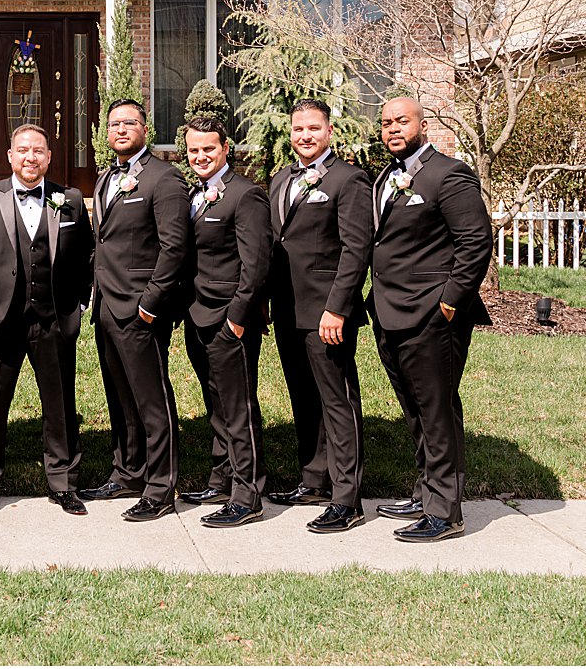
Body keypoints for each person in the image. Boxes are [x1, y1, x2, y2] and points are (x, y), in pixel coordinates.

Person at [368, 96, 492, 542]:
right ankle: (425, 493)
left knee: (437, 410)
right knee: (415, 409)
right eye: (386, 123)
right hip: (388, 311)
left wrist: (450, 302)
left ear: (424, 124)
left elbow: (475, 242)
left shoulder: (449, 174)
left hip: (432, 315)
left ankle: (446, 512)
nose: (393, 129)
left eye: (402, 121)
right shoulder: (386, 175)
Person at [0, 124, 95, 518]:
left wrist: (80, 301)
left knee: (60, 404)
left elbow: (88, 253)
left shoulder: (68, 199)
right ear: (10, 156)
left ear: (48, 157)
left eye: (38, 151)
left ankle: (63, 483)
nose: (30, 157)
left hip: (53, 319)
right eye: (23, 150)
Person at [80, 98, 193, 522]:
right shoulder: (107, 176)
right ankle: (128, 470)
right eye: (113, 124)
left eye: (129, 123)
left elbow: (175, 247)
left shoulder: (164, 179)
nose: (121, 130)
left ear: (146, 127)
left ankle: (161, 486)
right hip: (106, 304)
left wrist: (151, 303)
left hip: (141, 308)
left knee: (152, 399)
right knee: (119, 395)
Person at [266, 99, 374, 534]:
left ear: (329, 131)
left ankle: (347, 498)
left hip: (326, 313)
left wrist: (338, 307)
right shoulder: (279, 180)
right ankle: (313, 480)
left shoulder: (349, 181)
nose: (305, 136)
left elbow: (355, 249)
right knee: (303, 399)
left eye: (313, 128)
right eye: (298, 129)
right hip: (287, 309)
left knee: (338, 402)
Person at [177, 116, 271, 528]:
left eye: (208, 149)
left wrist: (237, 319)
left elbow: (256, 266)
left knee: (238, 407)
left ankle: (247, 494)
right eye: (194, 150)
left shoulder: (245, 195)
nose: (200, 156)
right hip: (198, 317)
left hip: (230, 320)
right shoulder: (196, 195)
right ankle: (221, 477)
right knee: (215, 404)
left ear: (226, 148)